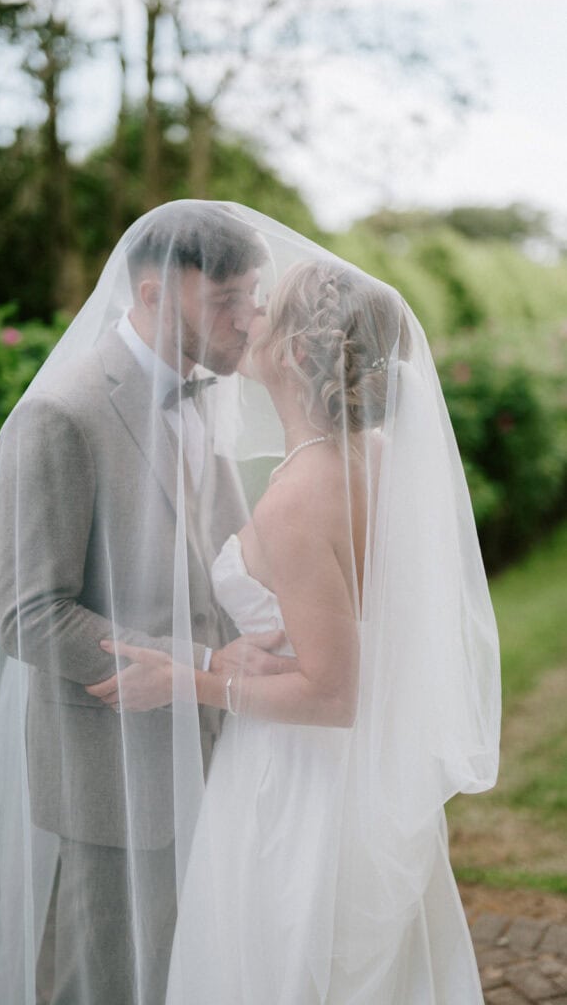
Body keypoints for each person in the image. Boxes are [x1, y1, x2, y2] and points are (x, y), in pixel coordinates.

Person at [106, 254, 502, 1002]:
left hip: (294, 782)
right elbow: (356, 641)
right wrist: (251, 659)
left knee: (279, 963)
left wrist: (188, 681)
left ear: (291, 351)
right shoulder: (377, 458)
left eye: (266, 308)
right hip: (363, 772)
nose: (247, 315)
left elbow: (331, 695)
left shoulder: (296, 500)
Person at [0, 202, 290, 1005]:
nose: (247, 321)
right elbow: (28, 614)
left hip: (221, 749)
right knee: (101, 983)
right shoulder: (62, 414)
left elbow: (216, 567)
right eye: (225, 301)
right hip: (114, 774)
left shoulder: (206, 392)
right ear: (156, 294)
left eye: (251, 297)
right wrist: (201, 665)